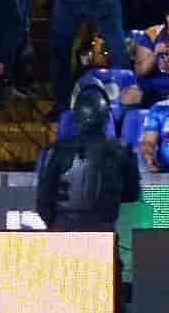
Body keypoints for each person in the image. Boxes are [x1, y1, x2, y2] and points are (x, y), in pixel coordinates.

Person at [36, 74, 145, 229]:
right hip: (102, 234)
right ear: (106, 117)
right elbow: (132, 194)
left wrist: (58, 226)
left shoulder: (54, 151)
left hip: (61, 232)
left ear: (75, 117)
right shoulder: (121, 151)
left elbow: (43, 201)